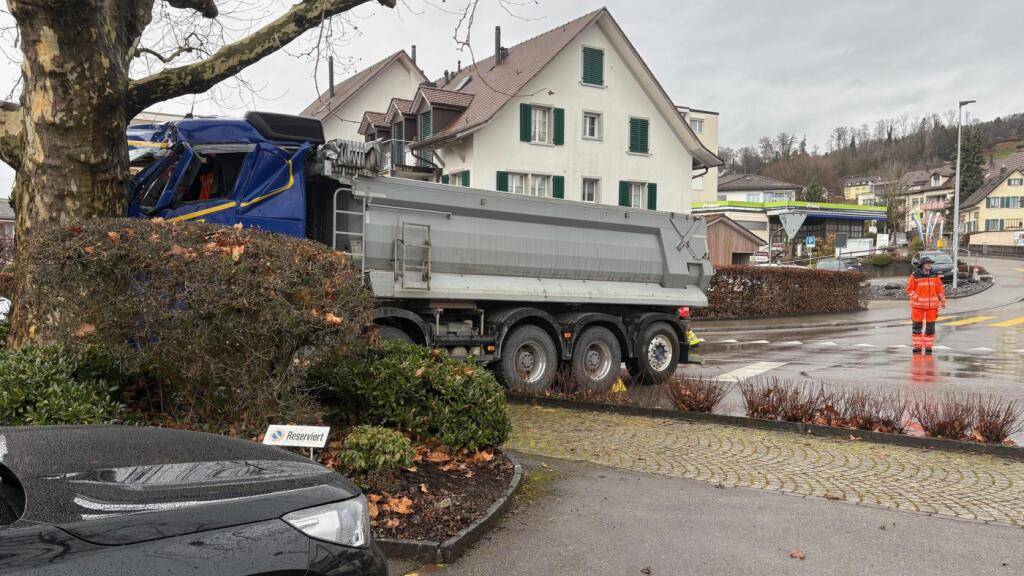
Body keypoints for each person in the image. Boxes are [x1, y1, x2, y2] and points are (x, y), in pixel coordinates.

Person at [906, 256, 947, 355]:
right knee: (917, 327)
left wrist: (943, 301)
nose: (929, 264)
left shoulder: (935, 275)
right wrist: (917, 298)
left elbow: (939, 289)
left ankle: (928, 346)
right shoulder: (915, 276)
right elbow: (909, 290)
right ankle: (918, 346)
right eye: (927, 263)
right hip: (918, 306)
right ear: (922, 265)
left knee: (930, 328)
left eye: (930, 263)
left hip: (932, 307)